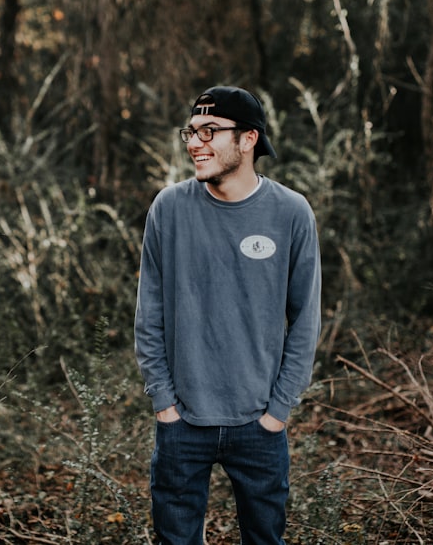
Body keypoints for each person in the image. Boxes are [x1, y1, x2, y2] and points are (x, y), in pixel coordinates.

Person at [134, 85, 322, 545]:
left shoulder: (291, 213)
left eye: (210, 131)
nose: (195, 143)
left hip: (259, 424)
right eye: (191, 132)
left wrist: (278, 411)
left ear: (248, 139)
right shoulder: (169, 209)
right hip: (183, 424)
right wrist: (164, 402)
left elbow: (305, 321)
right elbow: (149, 314)